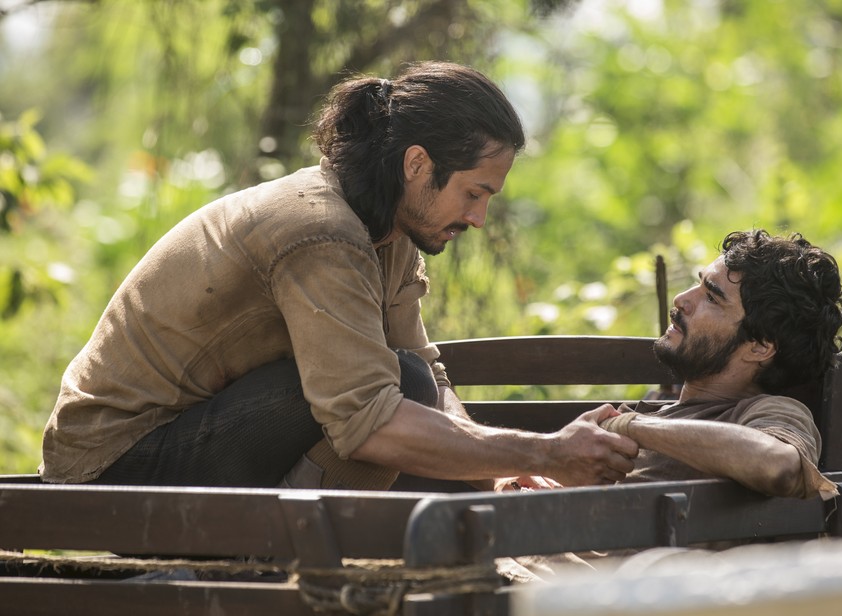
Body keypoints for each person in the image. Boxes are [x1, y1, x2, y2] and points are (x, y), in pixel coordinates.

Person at [39, 61, 638, 491]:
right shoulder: (320, 232)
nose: (478, 219)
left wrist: (499, 469)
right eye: (473, 193)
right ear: (417, 164)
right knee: (394, 394)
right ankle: (268, 558)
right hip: (116, 465)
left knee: (410, 382)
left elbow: (425, 370)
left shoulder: (391, 230)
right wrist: (545, 452)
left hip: (194, 439)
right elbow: (368, 422)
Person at [575, 229, 842, 499]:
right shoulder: (661, 409)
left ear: (759, 347)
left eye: (711, 298)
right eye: (698, 284)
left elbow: (779, 465)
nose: (681, 299)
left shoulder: (768, 411)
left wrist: (629, 426)